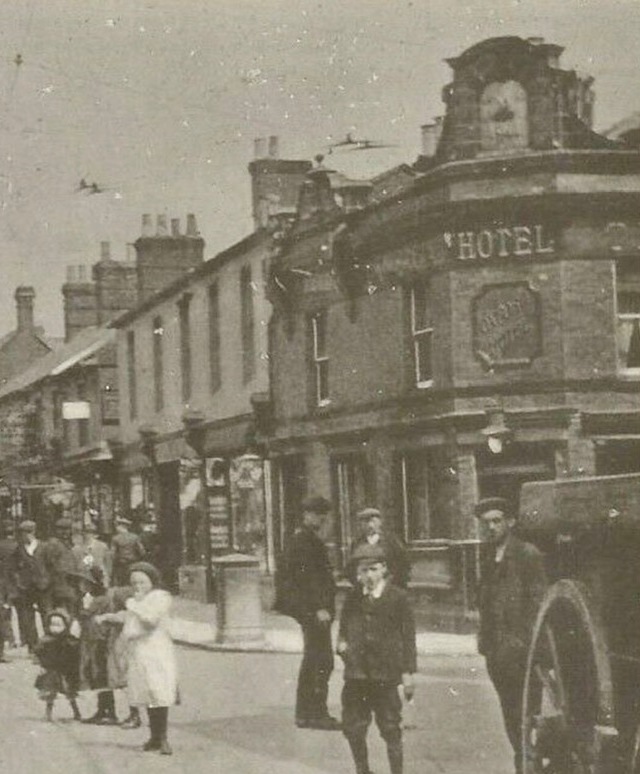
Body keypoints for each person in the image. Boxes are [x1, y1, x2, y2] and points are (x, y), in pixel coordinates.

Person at [475, 497, 547, 774]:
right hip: (495, 649)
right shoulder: (486, 554)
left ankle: (528, 762)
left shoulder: (527, 554)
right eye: (486, 523)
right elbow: (485, 599)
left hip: (520, 651)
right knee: (509, 709)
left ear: (509, 522)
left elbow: (538, 602)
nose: (491, 527)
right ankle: (523, 757)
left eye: (496, 521)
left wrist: (525, 642)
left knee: (526, 712)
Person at [337, 542, 416, 774]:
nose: (368, 575)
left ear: (384, 570)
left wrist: (408, 672)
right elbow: (343, 629)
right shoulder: (352, 598)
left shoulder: (397, 598)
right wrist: (342, 645)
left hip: (386, 676)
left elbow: (408, 638)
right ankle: (363, 769)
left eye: (373, 569)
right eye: (363, 570)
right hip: (357, 675)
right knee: (353, 727)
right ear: (357, 574)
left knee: (391, 727)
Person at [96, 561, 177, 755]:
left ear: (152, 581)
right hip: (139, 652)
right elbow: (128, 617)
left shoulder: (160, 597)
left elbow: (150, 619)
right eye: (134, 583)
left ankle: (163, 737)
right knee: (146, 693)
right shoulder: (137, 601)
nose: (138, 587)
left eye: (142, 582)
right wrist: (108, 616)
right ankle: (154, 737)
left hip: (156, 650)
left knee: (158, 692)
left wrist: (133, 603)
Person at [278, 495, 340, 730]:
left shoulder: (307, 539)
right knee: (321, 661)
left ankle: (306, 713)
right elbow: (307, 579)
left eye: (323, 513)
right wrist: (318, 608)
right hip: (315, 613)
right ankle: (315, 713)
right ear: (306, 515)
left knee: (315, 660)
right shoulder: (304, 541)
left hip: (314, 612)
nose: (322, 518)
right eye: (316, 513)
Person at [33, 607, 82, 722]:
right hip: (51, 670)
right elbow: (39, 653)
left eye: (58, 625)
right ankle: (48, 713)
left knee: (70, 692)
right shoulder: (45, 640)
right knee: (49, 692)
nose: (54, 628)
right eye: (52, 624)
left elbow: (75, 655)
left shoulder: (69, 641)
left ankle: (76, 711)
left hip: (65, 670)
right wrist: (41, 664)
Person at [349, 507, 410, 589]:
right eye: (366, 522)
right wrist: (358, 582)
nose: (370, 526)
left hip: (389, 587)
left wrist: (394, 583)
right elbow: (352, 567)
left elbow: (403, 564)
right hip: (365, 588)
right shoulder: (357, 543)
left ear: (380, 522)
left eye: (373, 521)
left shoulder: (391, 541)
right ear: (361, 525)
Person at [14, 519, 50, 652]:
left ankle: (48, 644)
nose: (24, 536)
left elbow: (50, 566)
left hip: (43, 586)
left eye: (27, 533)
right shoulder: (19, 549)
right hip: (26, 587)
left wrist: (47, 580)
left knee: (46, 614)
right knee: (28, 617)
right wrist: (19, 581)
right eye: (22, 533)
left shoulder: (44, 547)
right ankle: (33, 646)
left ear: (33, 532)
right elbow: (15, 567)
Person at [43, 518, 81, 615]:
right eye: (61, 529)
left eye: (67, 530)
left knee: (70, 612)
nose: (65, 532)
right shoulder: (53, 544)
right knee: (60, 614)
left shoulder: (68, 544)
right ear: (56, 530)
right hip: (58, 585)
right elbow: (50, 564)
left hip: (69, 584)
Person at [73, 520, 112, 588]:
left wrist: (107, 576)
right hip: (84, 577)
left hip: (100, 576)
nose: (87, 535)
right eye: (86, 532)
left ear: (96, 535)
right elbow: (75, 565)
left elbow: (108, 563)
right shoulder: (76, 548)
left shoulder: (102, 546)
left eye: (91, 532)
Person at [111, 517, 145, 586]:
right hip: (134, 562)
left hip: (121, 564)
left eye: (117, 526)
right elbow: (142, 551)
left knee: (122, 583)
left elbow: (113, 554)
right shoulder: (135, 537)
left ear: (120, 526)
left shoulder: (116, 538)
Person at [0, 522, 17, 658]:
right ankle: (11, 638)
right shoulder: (17, 546)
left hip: (2, 582)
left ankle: (8, 639)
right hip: (12, 582)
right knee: (6, 612)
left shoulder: (1, 546)